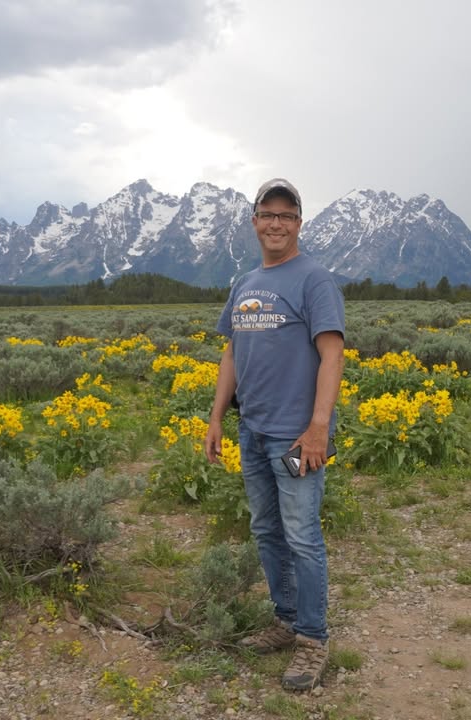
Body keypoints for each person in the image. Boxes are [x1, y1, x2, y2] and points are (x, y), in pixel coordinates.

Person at [204, 178, 345, 691]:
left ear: (299, 223)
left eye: (287, 215)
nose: (276, 224)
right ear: (255, 222)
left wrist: (317, 428)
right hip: (253, 431)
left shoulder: (315, 280)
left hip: (296, 438)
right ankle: (286, 620)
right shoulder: (244, 283)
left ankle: (312, 638)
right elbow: (231, 353)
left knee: (302, 536)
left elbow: (332, 354)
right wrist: (217, 417)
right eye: (268, 214)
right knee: (267, 530)